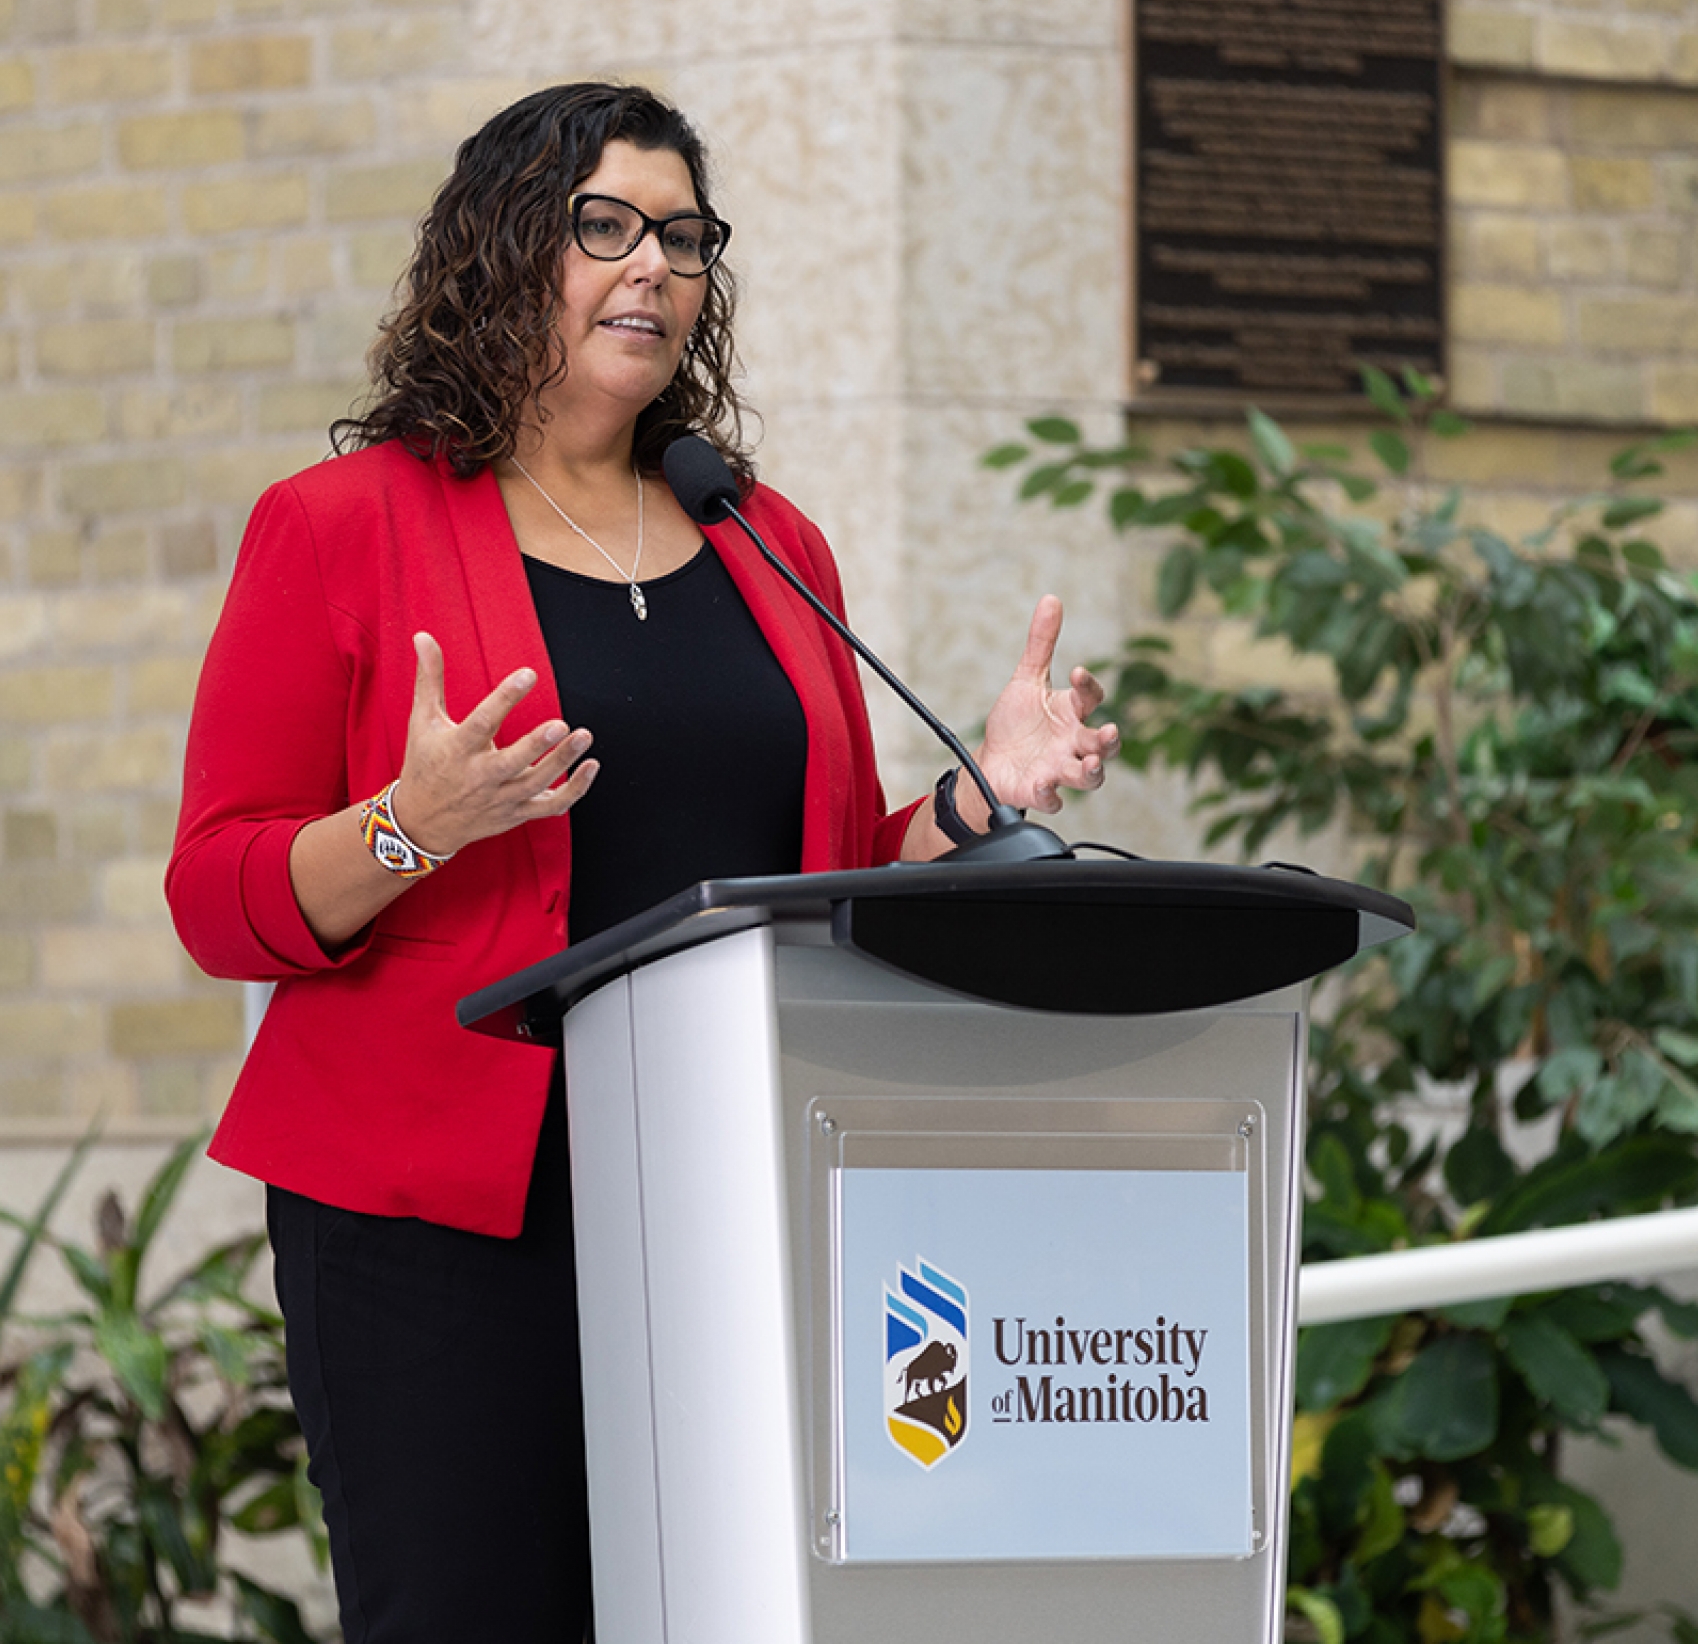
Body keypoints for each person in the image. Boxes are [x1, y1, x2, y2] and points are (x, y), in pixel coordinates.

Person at [164, 81, 1118, 1643]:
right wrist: (420, 822)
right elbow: (217, 898)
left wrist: (972, 805)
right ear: (499, 252)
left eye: (681, 235)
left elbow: (811, 873)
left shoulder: (762, 539)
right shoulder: (344, 526)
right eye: (602, 226)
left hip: (726, 1198)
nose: (652, 266)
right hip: (448, 1234)